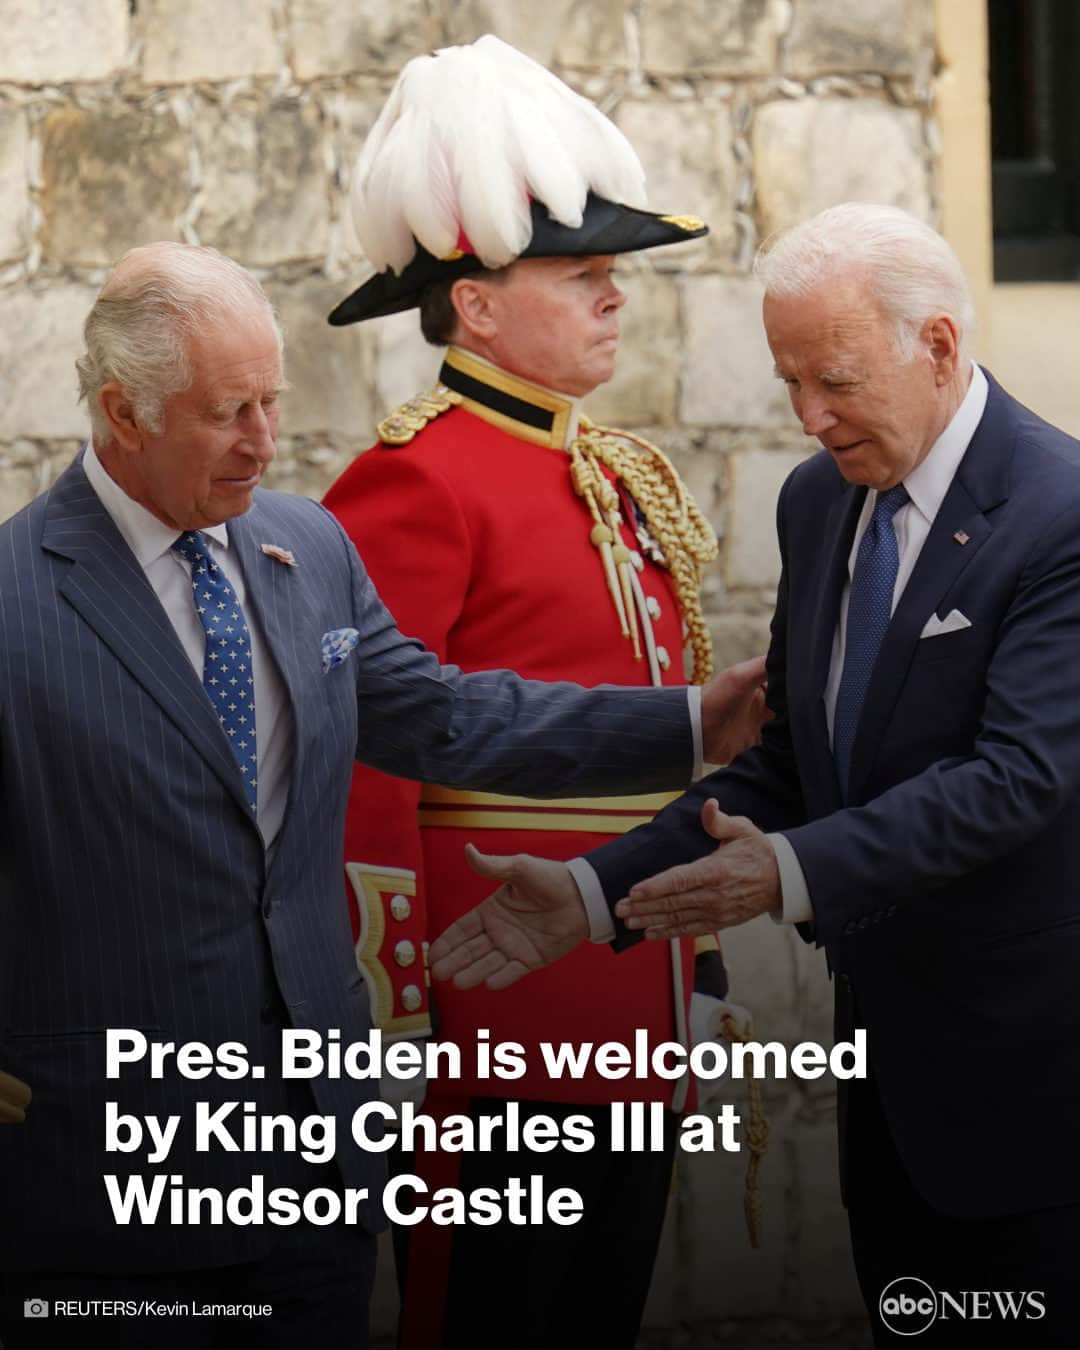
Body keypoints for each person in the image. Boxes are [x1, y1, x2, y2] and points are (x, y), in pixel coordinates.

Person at [0, 240, 766, 1350]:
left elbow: (450, 718)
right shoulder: (17, 598)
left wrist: (694, 722)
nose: (267, 440)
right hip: (110, 1173)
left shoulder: (303, 547)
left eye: (274, 400)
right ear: (123, 412)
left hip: (319, 1167)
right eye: (229, 413)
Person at [431, 202, 1080, 1347]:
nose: (809, 418)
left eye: (833, 381)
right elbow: (786, 762)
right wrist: (592, 896)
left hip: (1031, 1095)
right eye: (789, 384)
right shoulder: (819, 501)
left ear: (938, 345)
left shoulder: (1059, 511)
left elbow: (1015, 780)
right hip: (890, 1106)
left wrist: (781, 875)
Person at [321, 33, 759, 1350]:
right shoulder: (415, 477)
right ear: (478, 307)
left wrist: (699, 952)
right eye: (581, 274)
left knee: (600, 1308)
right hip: (494, 998)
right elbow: (370, 757)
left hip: (629, 975)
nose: (616, 296)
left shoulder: (619, 476)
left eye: (614, 273)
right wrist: (397, 1008)